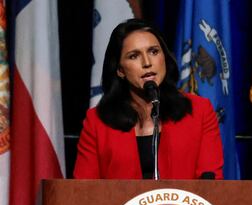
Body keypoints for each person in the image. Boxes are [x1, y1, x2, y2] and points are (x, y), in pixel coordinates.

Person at [73, 18, 223, 179]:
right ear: (120, 70)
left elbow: (211, 184)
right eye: (133, 56)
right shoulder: (97, 122)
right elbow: (84, 192)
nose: (147, 63)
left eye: (153, 51)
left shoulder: (199, 111)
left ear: (164, 57)